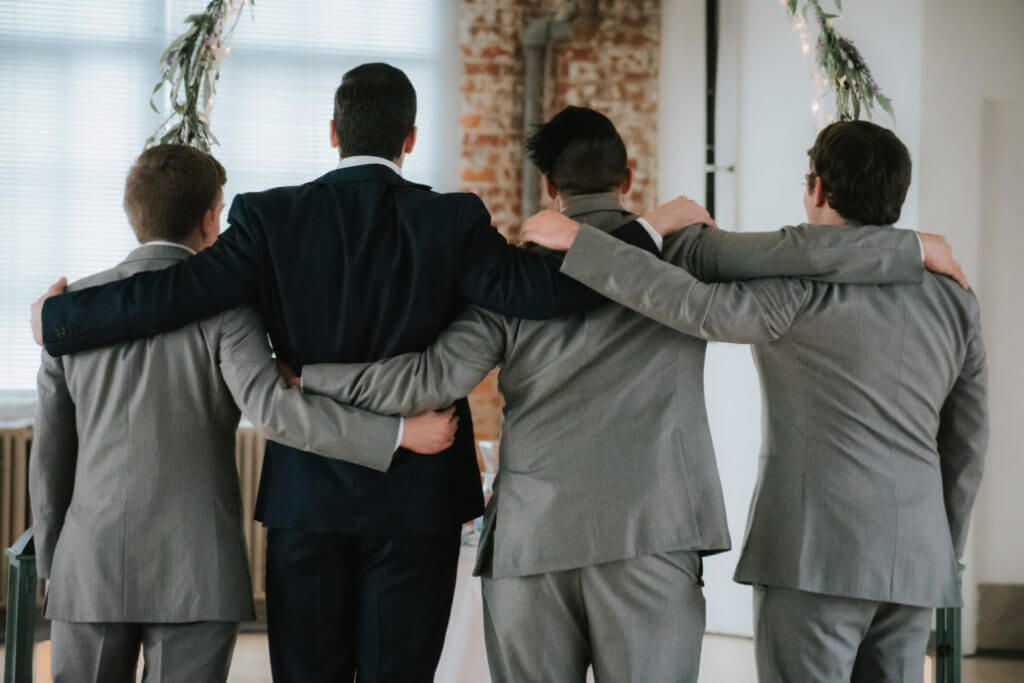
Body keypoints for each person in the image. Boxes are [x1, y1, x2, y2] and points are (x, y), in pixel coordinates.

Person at [29, 65, 666, 682]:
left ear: (333, 130)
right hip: (419, 501)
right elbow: (546, 294)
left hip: (307, 499)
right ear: (410, 140)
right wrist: (640, 236)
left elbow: (171, 294)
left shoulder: (268, 219)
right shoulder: (452, 220)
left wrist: (59, 318)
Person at [285, 108, 947, 682]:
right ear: (628, 178)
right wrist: (910, 250)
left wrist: (314, 376)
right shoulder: (684, 253)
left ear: (549, 187)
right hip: (653, 541)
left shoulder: (512, 276)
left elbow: (427, 380)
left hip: (532, 547)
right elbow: (801, 253)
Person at [523, 120, 987, 683]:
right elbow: (967, 442)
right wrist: (943, 550)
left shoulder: (796, 286)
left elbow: (691, 305)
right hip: (918, 558)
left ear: (816, 189)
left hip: (813, 555)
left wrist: (582, 244)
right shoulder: (955, 298)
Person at [29, 144, 458, 683]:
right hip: (198, 572)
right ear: (212, 219)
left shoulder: (67, 314)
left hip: (88, 566)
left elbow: (48, 459)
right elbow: (277, 414)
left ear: (133, 213)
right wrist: (397, 433)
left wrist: (54, 564)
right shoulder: (228, 312)